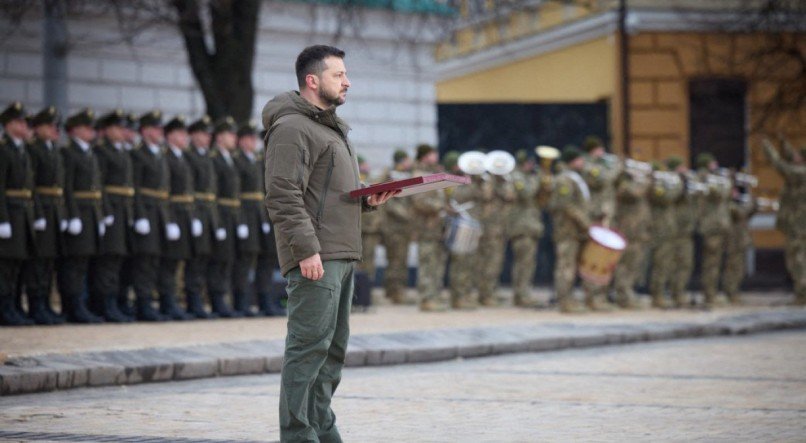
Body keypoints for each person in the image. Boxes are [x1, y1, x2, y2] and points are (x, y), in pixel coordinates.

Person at [262, 45, 395, 442]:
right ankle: (299, 436)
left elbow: (326, 195)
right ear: (312, 80)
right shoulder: (291, 128)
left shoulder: (329, 127)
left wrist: (366, 201)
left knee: (331, 355)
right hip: (316, 255)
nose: (347, 81)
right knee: (307, 351)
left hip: (338, 252)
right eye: (339, 75)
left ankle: (322, 430)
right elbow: (282, 194)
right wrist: (306, 250)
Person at [59, 108, 105, 323]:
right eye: (86, 128)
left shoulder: (89, 152)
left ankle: (81, 304)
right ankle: (73, 305)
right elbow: (66, 187)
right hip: (79, 213)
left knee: (84, 263)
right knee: (74, 264)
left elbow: (98, 188)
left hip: (92, 214)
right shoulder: (69, 153)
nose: (91, 131)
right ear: (74, 130)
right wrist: (72, 214)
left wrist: (102, 214)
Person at [90, 109, 135, 322]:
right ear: (107, 130)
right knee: (108, 259)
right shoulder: (102, 152)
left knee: (119, 259)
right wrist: (105, 212)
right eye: (117, 127)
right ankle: (104, 303)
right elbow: (100, 185)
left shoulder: (122, 151)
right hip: (111, 212)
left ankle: (116, 301)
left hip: (123, 211)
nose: (122, 132)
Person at [22, 106, 66, 324]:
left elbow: (61, 186)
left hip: (54, 211)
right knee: (38, 261)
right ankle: (35, 304)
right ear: (38, 128)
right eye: (50, 126)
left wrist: (65, 213)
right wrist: (37, 213)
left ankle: (45, 303)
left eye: (56, 126)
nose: (54, 130)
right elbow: (32, 186)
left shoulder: (53, 149)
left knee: (49, 262)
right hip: (39, 211)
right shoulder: (33, 150)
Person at [130, 110, 174, 321]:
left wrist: (170, 219)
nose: (160, 132)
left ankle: (151, 302)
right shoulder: (138, 154)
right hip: (146, 213)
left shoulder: (159, 153)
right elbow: (135, 187)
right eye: (156, 128)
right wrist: (139, 215)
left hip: (160, 214)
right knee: (144, 262)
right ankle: (142, 303)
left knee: (155, 260)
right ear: (145, 130)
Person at [0, 102, 37, 325]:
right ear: (10, 124)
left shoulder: (22, 150)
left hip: (22, 214)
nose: (26, 126)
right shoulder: (4, 150)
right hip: (10, 214)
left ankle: (13, 305)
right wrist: (2, 219)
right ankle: (4, 308)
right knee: (5, 265)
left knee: (17, 265)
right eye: (22, 122)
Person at [158, 115, 195, 320]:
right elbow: (166, 193)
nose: (185, 137)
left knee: (178, 261)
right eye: (181, 133)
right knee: (169, 262)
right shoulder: (167, 157)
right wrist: (169, 220)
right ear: (170, 135)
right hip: (171, 215)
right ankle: (167, 301)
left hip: (184, 215)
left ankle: (173, 301)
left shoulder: (182, 157)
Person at [209, 116, 246, 317]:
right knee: (219, 260)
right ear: (221, 137)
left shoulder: (230, 158)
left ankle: (226, 300)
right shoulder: (214, 158)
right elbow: (213, 193)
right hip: (221, 214)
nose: (234, 138)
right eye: (230, 134)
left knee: (229, 259)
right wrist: (217, 222)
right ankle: (217, 300)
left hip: (232, 215)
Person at [763, 139, 806, 306]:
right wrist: (784, 143)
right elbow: (789, 159)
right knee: (796, 258)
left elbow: (780, 166)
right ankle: (801, 294)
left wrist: (769, 148)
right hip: (797, 225)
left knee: (798, 259)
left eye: (797, 155)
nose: (793, 156)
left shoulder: (801, 174)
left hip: (800, 227)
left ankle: (803, 294)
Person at [549, 146, 591, 313]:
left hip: (574, 230)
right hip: (567, 229)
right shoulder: (564, 180)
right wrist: (585, 223)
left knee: (570, 266)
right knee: (565, 266)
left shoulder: (575, 178)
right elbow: (566, 205)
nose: (583, 163)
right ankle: (564, 301)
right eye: (580, 159)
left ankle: (569, 299)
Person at [184, 115, 217, 318]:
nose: (206, 138)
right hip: (194, 213)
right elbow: (190, 189)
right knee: (194, 260)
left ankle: (200, 301)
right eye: (202, 133)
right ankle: (192, 301)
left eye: (207, 134)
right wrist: (194, 215)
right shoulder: (189, 157)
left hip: (209, 214)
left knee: (205, 258)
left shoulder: (207, 156)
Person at [411, 144, 448, 312]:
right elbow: (419, 202)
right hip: (426, 228)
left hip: (436, 228)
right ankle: (426, 298)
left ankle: (434, 295)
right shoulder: (420, 175)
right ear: (425, 156)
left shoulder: (434, 174)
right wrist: (440, 206)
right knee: (427, 263)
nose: (436, 156)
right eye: (433, 154)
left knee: (436, 264)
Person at [232, 120, 264, 316]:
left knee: (256, 258)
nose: (254, 142)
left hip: (258, 214)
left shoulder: (256, 160)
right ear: (242, 140)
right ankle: (240, 301)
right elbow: (236, 193)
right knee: (243, 261)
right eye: (250, 138)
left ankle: (261, 300)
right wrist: (240, 221)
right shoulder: (237, 160)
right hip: (244, 213)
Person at [611, 159, 651, 309]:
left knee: (634, 265)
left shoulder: (637, 184)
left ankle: (629, 293)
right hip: (628, 231)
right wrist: (645, 179)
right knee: (625, 264)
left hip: (639, 231)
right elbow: (635, 193)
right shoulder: (625, 186)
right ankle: (623, 295)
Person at [507, 149, 544, 307]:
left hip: (530, 226)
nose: (532, 165)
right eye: (529, 162)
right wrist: (538, 180)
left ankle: (521, 293)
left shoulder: (528, 177)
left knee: (527, 263)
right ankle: (522, 295)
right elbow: (527, 194)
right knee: (523, 263)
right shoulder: (517, 177)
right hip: (522, 227)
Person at [696, 152, 731, 309]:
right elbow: (720, 195)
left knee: (716, 262)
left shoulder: (712, 179)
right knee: (711, 263)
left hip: (719, 226)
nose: (716, 166)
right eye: (713, 163)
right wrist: (726, 180)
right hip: (712, 227)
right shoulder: (705, 179)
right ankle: (709, 296)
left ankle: (713, 293)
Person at [379, 149, 414, 304]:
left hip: (404, 228)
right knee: (396, 260)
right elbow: (390, 202)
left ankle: (395, 291)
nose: (409, 162)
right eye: (407, 159)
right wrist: (407, 215)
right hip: (394, 227)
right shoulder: (390, 175)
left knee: (401, 260)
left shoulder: (408, 174)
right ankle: (395, 292)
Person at [669, 157, 700, 308]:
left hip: (687, 230)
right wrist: (681, 181)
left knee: (686, 264)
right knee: (676, 264)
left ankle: (680, 293)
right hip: (676, 230)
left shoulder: (687, 184)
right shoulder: (671, 183)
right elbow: (673, 197)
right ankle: (676, 294)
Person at [722, 181, 757, 305]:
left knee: (740, 269)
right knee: (732, 268)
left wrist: (754, 202)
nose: (735, 194)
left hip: (742, 240)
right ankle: (730, 293)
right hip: (733, 241)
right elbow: (741, 214)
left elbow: (750, 214)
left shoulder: (739, 203)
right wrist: (749, 203)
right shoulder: (729, 204)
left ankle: (735, 292)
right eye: (733, 191)